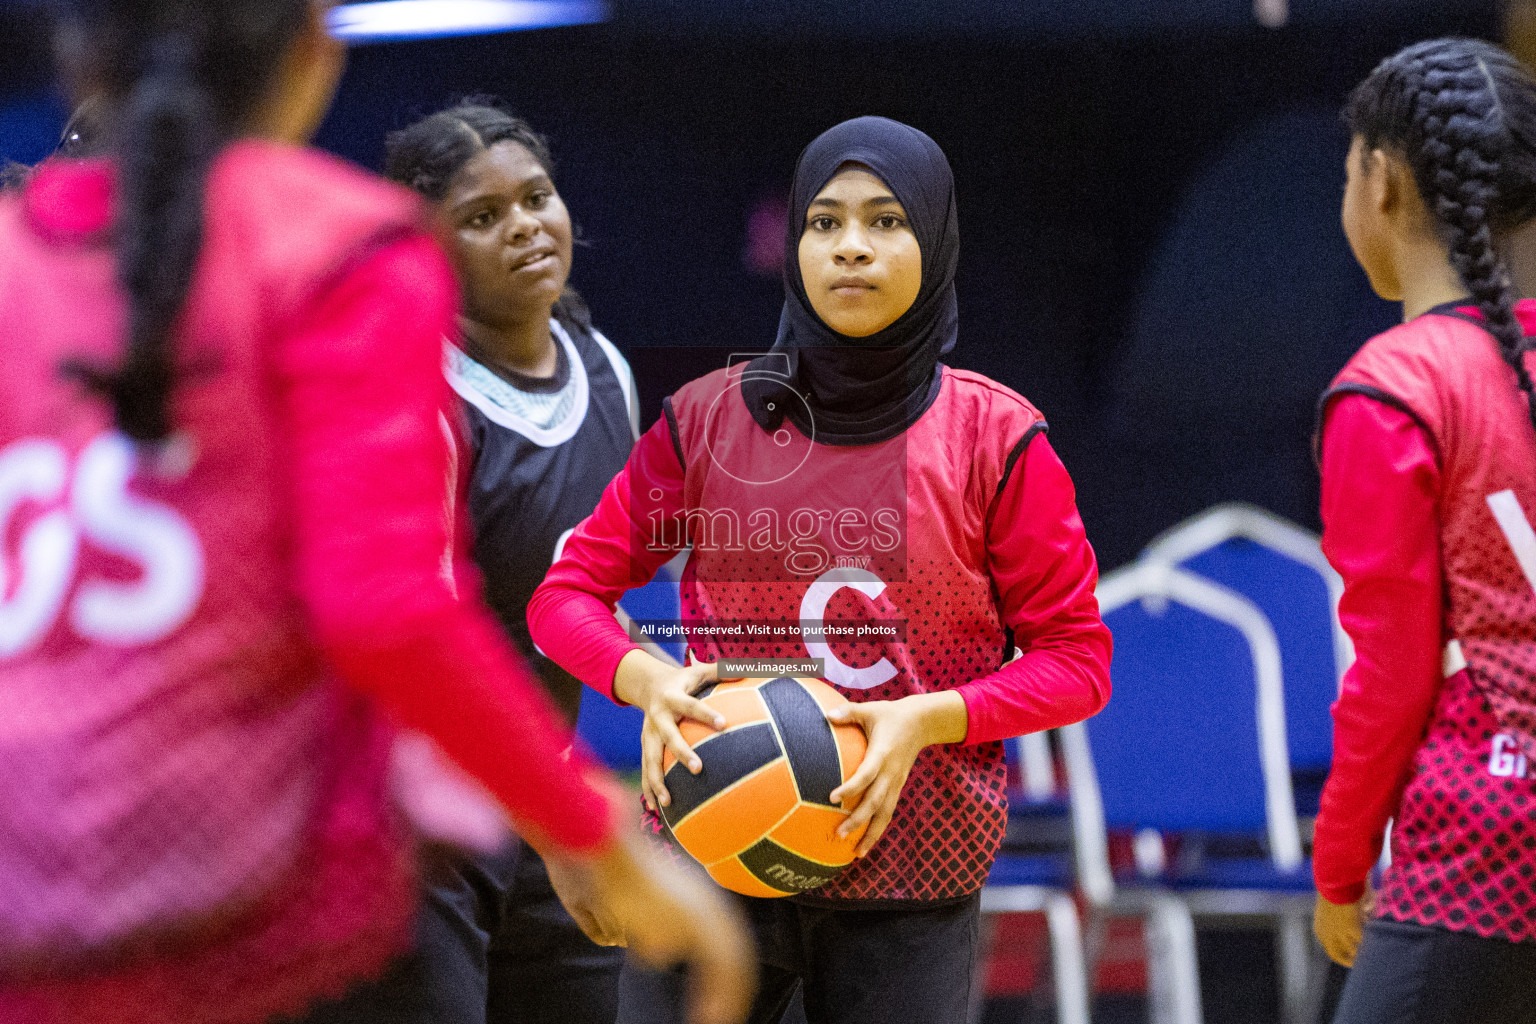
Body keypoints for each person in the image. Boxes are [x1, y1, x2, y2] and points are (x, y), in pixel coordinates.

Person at [0, 4, 751, 1024]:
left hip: (35, 925)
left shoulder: (15, 259)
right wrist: (594, 829)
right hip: (279, 927)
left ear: (77, 56)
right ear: (317, 54)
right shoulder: (345, 249)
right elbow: (384, 610)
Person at [529, 116, 1113, 1024]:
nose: (851, 249)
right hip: (712, 844)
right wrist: (648, 680)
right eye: (825, 222)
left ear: (936, 238)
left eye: (886, 222)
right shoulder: (706, 422)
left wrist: (928, 718)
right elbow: (564, 598)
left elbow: (1078, 662)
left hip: (916, 862)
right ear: (795, 242)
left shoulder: (997, 439)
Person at [370, 102, 640, 1024]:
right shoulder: (419, 404)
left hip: (551, 796)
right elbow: (422, 664)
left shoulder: (605, 366)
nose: (524, 226)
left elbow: (600, 598)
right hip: (424, 832)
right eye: (483, 219)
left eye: (537, 198)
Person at [1312, 37, 1536, 1023]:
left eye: (1347, 169)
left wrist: (1341, 859)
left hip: (1485, 832)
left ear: (1385, 181)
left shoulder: (1391, 389)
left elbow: (1393, 672)